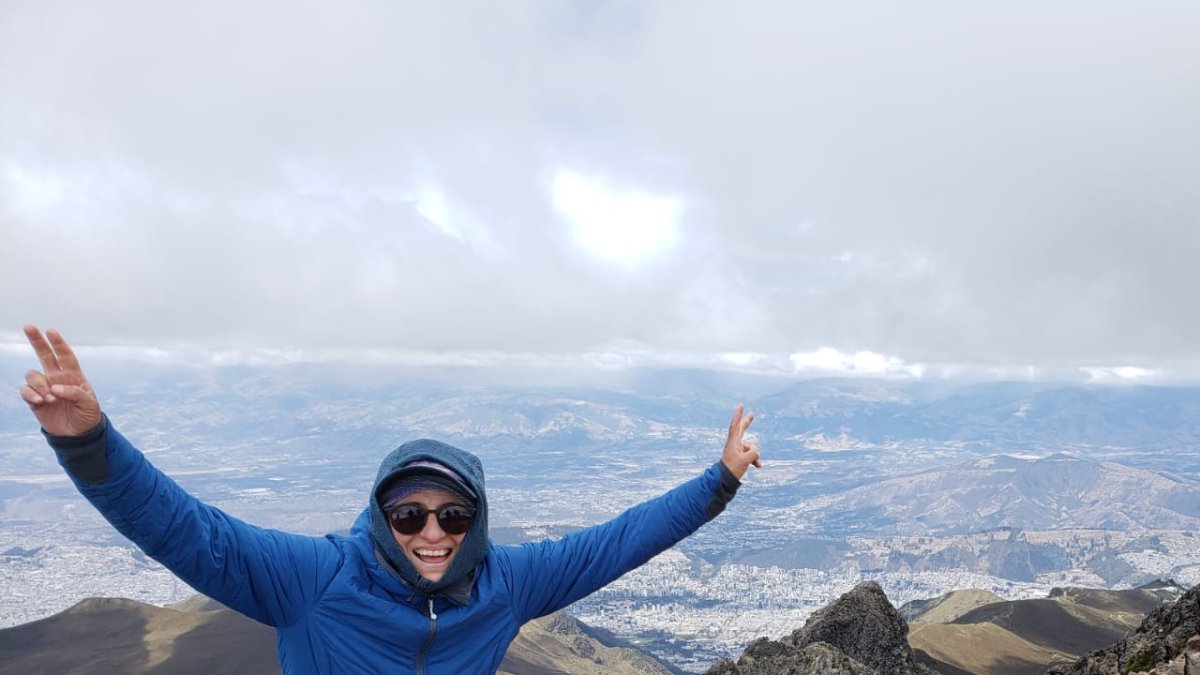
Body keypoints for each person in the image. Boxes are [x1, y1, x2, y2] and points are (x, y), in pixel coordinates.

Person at [19, 325, 762, 675]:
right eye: (408, 515)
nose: (431, 532)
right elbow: (189, 533)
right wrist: (90, 445)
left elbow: (619, 541)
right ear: (382, 518)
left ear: (476, 521)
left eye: (452, 514)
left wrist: (719, 480)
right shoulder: (315, 579)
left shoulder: (507, 585)